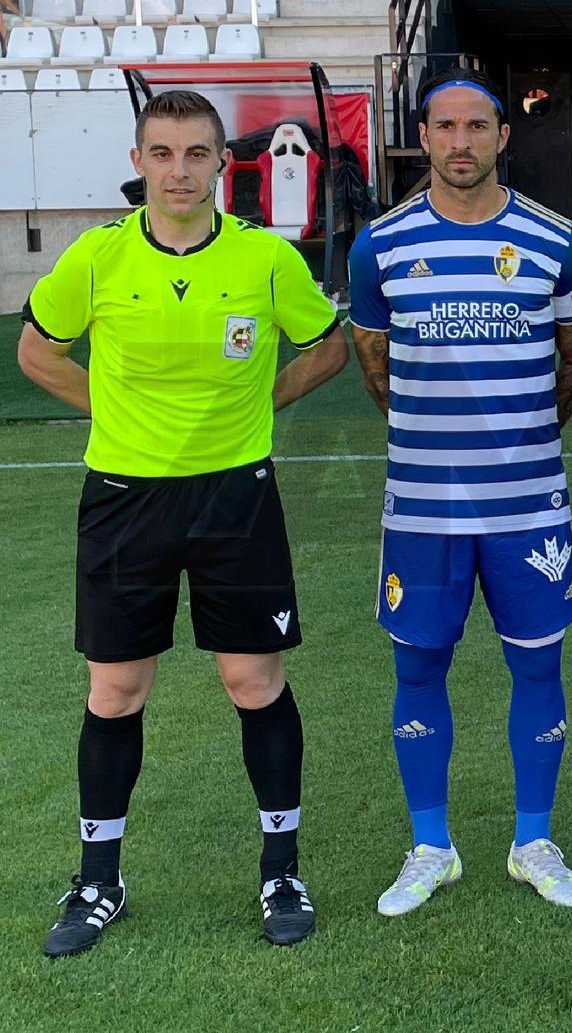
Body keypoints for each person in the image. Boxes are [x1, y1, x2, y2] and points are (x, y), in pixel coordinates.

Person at [17, 89, 347, 956]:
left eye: (196, 153)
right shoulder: (97, 256)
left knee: (253, 683)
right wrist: (115, 413)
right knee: (116, 692)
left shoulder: (264, 257)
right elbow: (37, 350)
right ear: (138, 162)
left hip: (236, 495)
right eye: (161, 153)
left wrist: (262, 405)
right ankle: (98, 881)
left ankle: (281, 871)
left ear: (221, 164)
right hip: (124, 497)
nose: (179, 171)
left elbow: (327, 345)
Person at [347, 68, 572, 916]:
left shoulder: (556, 241)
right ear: (423, 138)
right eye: (445, 127)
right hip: (423, 509)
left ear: (503, 136)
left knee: (539, 664)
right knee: (418, 667)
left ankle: (534, 842)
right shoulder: (379, 246)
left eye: (477, 126)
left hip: (528, 505)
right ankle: (431, 848)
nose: (461, 142)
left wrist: (519, 441)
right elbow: (376, 370)